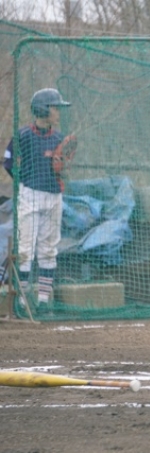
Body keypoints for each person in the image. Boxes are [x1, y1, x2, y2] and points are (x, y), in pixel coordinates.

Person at [3, 88, 71, 314]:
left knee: (48, 249)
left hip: (53, 195)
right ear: (42, 109)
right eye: (55, 108)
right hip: (30, 194)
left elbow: (62, 168)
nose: (58, 112)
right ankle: (23, 301)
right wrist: (23, 180)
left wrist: (62, 170)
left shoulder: (59, 138)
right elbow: (8, 162)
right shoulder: (23, 135)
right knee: (25, 248)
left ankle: (42, 301)